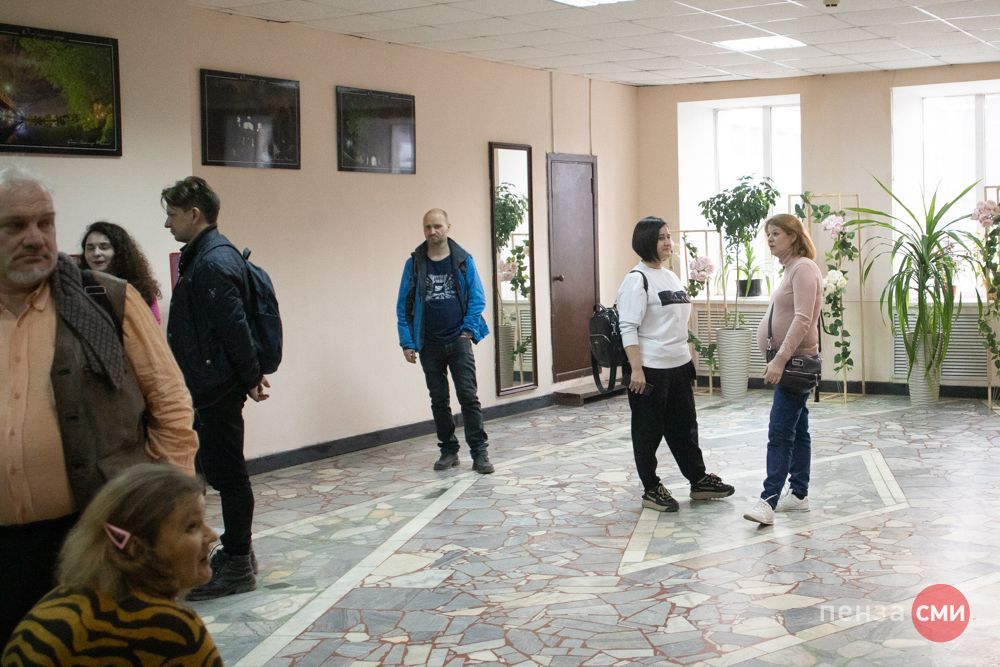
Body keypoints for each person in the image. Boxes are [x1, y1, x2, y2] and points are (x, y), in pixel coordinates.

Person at [0, 166, 199, 643]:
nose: (35, 238)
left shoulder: (107, 300)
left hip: (97, 539)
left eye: (45, 222)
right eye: (15, 225)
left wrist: (167, 509)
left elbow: (171, 405)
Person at [162, 175, 270, 600]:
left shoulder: (212, 261)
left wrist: (251, 376)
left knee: (230, 476)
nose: (167, 223)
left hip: (216, 385)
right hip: (212, 382)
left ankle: (239, 563)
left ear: (194, 214)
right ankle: (239, 553)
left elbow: (234, 327)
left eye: (172, 215)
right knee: (224, 472)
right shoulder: (207, 255)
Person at [2, 464, 223, 666]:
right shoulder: (169, 627)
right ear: (137, 549)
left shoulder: (62, 600)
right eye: (192, 526)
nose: (212, 535)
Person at [617, 216, 735, 512]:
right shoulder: (636, 279)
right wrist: (636, 369)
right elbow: (628, 327)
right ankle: (651, 488)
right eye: (661, 237)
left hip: (679, 365)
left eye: (668, 236)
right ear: (646, 241)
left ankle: (698, 480)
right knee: (647, 432)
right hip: (650, 369)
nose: (668, 242)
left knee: (685, 427)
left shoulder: (670, 277)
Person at [396, 208, 493, 474]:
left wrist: (467, 331)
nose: (432, 231)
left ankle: (480, 453)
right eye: (427, 227)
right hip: (428, 343)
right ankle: (448, 451)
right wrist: (407, 342)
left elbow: (477, 298)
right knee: (438, 400)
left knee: (468, 397)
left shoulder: (463, 260)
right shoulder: (414, 264)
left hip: (459, 340)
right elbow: (403, 305)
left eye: (437, 226)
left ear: (449, 227)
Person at [743, 213, 823, 526]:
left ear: (793, 236)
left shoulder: (803, 268)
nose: (770, 239)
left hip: (794, 362)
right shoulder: (792, 268)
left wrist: (779, 360)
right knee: (798, 429)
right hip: (790, 360)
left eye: (776, 233)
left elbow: (803, 319)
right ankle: (799, 494)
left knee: (779, 433)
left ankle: (768, 500)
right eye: (768, 234)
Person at [79, 220, 164, 323]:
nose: (96, 253)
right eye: (90, 248)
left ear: (119, 251)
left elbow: (152, 328)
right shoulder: (76, 286)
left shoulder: (142, 290)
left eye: (104, 247)